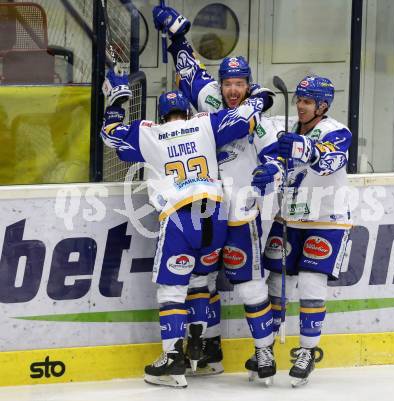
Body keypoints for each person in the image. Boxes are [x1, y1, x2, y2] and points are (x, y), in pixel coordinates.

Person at [101, 67, 266, 388]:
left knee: (172, 289)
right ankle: (203, 352)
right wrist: (257, 97)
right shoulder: (204, 123)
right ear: (187, 112)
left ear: (162, 116)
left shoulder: (149, 132)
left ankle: (173, 359)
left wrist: (116, 101)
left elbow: (110, 136)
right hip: (217, 214)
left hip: (180, 216)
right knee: (202, 280)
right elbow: (244, 119)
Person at [152, 5, 279, 383]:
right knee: (198, 281)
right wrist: (174, 36)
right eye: (228, 83)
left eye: (240, 84)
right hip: (205, 211)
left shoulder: (260, 119)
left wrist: (265, 176)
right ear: (221, 85)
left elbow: (274, 160)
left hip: (239, 213)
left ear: (248, 85)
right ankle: (208, 348)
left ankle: (264, 353)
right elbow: (188, 67)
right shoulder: (209, 99)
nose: (233, 90)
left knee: (250, 282)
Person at [251, 75, 352, 386]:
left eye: (307, 102)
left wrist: (307, 150)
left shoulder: (336, 131)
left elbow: (330, 161)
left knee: (310, 283)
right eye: (299, 100)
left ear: (322, 105)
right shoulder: (289, 127)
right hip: (289, 219)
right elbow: (279, 164)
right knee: (276, 284)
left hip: (326, 219)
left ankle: (307, 352)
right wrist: (269, 172)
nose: (300, 105)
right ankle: (264, 349)